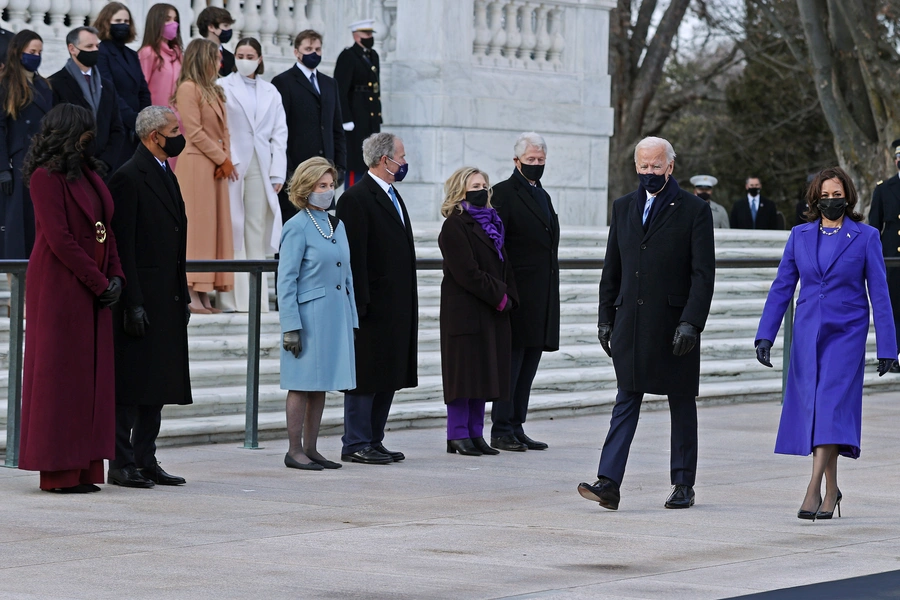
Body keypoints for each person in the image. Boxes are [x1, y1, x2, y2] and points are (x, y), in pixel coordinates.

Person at [578, 136, 715, 511]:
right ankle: (609, 481)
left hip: (674, 325)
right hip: (631, 322)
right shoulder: (623, 207)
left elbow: (703, 273)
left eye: (656, 166)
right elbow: (613, 267)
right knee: (626, 397)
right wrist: (605, 317)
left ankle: (683, 483)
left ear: (670, 166)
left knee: (681, 402)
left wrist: (691, 322)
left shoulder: (693, 209)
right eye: (643, 166)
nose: (649, 173)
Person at [756, 166, 897, 520]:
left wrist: (888, 348)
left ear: (847, 197)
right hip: (807, 335)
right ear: (814, 197)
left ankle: (813, 488)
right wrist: (765, 334)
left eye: (837, 195)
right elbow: (782, 287)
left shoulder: (865, 237)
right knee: (818, 411)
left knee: (830, 407)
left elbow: (880, 294)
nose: (831, 201)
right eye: (825, 195)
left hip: (846, 336)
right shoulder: (799, 235)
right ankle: (832, 492)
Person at [17, 104, 125, 492]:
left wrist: (116, 275)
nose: (89, 139)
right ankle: (59, 471)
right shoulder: (45, 177)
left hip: (92, 284)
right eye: (84, 132)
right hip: (60, 287)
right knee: (61, 377)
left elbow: (105, 230)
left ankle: (85, 467)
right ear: (68, 132)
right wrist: (99, 281)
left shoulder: (91, 174)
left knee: (90, 379)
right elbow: (59, 238)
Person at [106, 105, 191, 488]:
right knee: (130, 385)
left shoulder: (164, 172)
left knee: (155, 384)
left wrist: (182, 292)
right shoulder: (128, 177)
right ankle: (121, 462)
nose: (180, 134)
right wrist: (133, 302)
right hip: (141, 299)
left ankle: (146, 459)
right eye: (174, 129)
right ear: (154, 135)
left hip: (167, 297)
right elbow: (123, 245)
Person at [335, 132, 417, 465]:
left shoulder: (393, 194)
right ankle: (355, 441)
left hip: (396, 303)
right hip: (370, 305)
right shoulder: (356, 198)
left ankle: (374, 438)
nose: (405, 161)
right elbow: (353, 257)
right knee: (365, 375)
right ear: (385, 160)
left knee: (389, 373)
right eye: (401, 156)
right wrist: (360, 304)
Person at [278, 157, 358, 471]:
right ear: (305, 188)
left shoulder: (335, 225)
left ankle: (311, 448)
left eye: (330, 185)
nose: (327, 191)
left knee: (321, 383)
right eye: (320, 186)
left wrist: (350, 320)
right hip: (308, 317)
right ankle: (293, 450)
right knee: (301, 383)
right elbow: (286, 280)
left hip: (334, 317)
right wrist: (290, 326)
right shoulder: (295, 227)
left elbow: (347, 276)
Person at [439, 167, 517, 456]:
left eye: (484, 184)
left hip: (489, 312)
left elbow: (504, 265)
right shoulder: (455, 226)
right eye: (475, 185)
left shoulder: (493, 223)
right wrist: (499, 296)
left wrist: (510, 296)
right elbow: (467, 272)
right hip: (465, 312)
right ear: (461, 190)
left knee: (484, 374)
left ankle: (475, 433)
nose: (482, 189)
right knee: (464, 375)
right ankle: (457, 435)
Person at [489, 132, 558, 452]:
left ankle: (517, 424)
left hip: (540, 294)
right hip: (517, 292)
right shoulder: (502, 194)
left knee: (529, 361)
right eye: (530, 160)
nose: (536, 166)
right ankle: (501, 426)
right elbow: (496, 245)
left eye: (541, 161)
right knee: (512, 363)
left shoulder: (542, 194)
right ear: (516, 161)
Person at [216, 37, 287, 313]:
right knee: (233, 225)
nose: (245, 59)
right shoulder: (222, 86)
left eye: (250, 54)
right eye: (240, 54)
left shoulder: (271, 91)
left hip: (262, 162)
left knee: (256, 227)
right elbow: (220, 126)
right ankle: (231, 297)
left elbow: (280, 134)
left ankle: (255, 299)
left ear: (259, 59)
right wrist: (228, 158)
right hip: (232, 163)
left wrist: (277, 171)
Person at [174, 38, 234, 314]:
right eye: (216, 58)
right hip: (197, 164)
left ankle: (205, 291)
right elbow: (194, 132)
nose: (220, 63)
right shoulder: (188, 88)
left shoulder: (215, 90)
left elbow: (224, 132)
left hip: (215, 167)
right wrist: (222, 158)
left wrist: (226, 160)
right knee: (197, 230)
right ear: (203, 59)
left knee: (214, 230)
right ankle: (190, 291)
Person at [272, 29, 346, 224]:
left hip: (325, 171)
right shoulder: (283, 82)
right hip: (297, 171)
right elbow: (280, 129)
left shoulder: (330, 84)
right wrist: (286, 170)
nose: (314, 53)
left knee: (323, 225)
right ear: (297, 52)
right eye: (308, 48)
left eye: (317, 49)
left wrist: (340, 166)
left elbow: (336, 129)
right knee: (294, 225)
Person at [0, 30, 51, 262]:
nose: (37, 56)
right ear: (18, 52)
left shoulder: (45, 85)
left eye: (39, 52)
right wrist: (3, 168)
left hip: (44, 161)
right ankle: (16, 288)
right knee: (17, 227)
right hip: (18, 163)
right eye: (32, 52)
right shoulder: (6, 85)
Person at [49, 26, 126, 177]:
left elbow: (117, 129)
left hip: (104, 170)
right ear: (72, 48)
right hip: (71, 168)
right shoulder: (55, 83)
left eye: (97, 46)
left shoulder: (108, 86)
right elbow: (55, 129)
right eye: (89, 46)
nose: (95, 50)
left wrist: (106, 162)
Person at [94, 2, 152, 155]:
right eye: (118, 21)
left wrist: (144, 119)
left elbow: (143, 90)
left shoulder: (132, 55)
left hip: (136, 130)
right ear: (106, 22)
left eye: (126, 22)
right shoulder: (101, 52)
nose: (123, 25)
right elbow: (109, 90)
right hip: (116, 126)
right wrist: (133, 119)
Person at [334, 19, 381, 189]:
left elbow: (376, 88)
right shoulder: (348, 56)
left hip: (370, 118)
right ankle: (352, 196)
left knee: (370, 160)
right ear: (356, 36)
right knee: (355, 162)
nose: (369, 37)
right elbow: (340, 89)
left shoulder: (373, 55)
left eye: (370, 34)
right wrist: (345, 118)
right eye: (365, 34)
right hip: (355, 117)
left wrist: (378, 116)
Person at [868, 139, 900, 372]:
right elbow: (873, 227)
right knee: (894, 308)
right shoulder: (883, 189)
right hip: (892, 259)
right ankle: (893, 355)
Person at [138, 3, 183, 139]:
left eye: (175, 19)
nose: (173, 24)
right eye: (167, 19)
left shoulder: (178, 53)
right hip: (156, 124)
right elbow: (141, 89)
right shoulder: (147, 53)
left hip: (178, 121)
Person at [197, 7, 235, 77]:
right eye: (225, 26)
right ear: (211, 27)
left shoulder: (231, 57)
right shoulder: (196, 54)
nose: (229, 30)